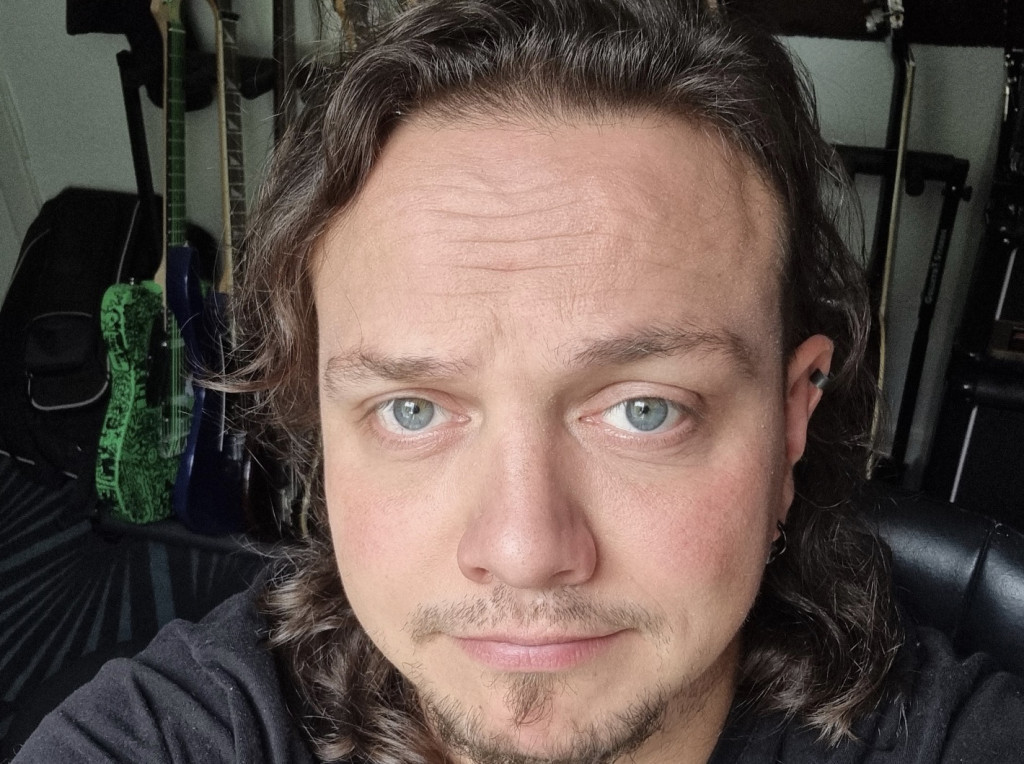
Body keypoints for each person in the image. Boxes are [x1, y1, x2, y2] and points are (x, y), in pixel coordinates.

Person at [12, 1, 1024, 762]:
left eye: (645, 409)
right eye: (412, 409)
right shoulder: (173, 734)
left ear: (792, 422)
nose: (524, 550)